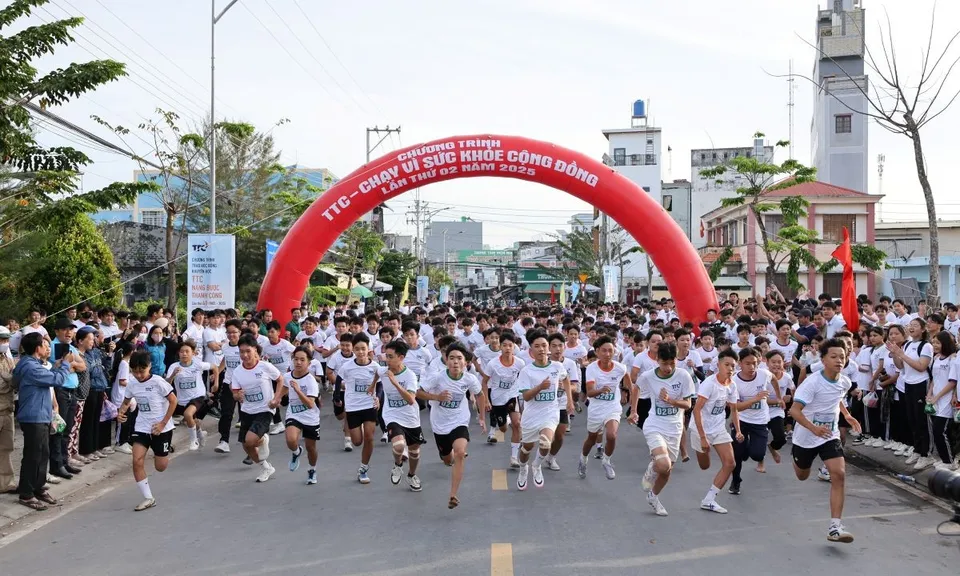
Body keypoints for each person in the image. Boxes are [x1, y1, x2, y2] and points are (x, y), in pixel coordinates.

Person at [789, 337, 861, 543]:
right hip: (805, 436)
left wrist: (846, 415)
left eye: (843, 356)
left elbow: (836, 397)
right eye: (834, 356)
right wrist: (813, 428)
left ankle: (835, 527)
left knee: (839, 474)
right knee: (802, 475)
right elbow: (794, 411)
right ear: (823, 360)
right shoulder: (811, 383)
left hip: (829, 435)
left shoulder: (845, 381)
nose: (839, 360)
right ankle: (799, 462)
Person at [418, 342, 487, 509]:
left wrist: (482, 417)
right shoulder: (438, 377)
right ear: (446, 361)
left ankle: (453, 494)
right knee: (447, 458)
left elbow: (480, 395)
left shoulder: (469, 379)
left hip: (459, 420)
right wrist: (437, 397)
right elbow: (418, 393)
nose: (455, 361)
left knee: (460, 453)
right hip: (440, 424)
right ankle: (445, 457)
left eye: (459, 358)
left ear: (466, 362)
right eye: (451, 358)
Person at [12, 333, 74, 510]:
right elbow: (58, 380)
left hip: (40, 414)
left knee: (42, 453)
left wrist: (56, 366)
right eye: (44, 345)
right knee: (34, 455)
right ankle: (26, 493)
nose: (48, 348)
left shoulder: (30, 364)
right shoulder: (31, 367)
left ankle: (37, 487)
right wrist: (66, 364)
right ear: (37, 348)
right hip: (34, 416)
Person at [634, 341, 696, 516]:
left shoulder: (683, 376)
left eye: (672, 363)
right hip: (654, 424)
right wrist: (633, 411)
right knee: (663, 463)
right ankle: (652, 468)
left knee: (667, 470)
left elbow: (687, 404)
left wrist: (671, 401)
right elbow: (636, 387)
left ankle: (653, 497)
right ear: (657, 360)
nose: (668, 367)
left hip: (674, 428)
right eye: (664, 363)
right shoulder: (648, 376)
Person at [117, 349, 177, 511]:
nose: (138, 375)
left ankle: (164, 449)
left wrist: (163, 424)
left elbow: (173, 401)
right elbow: (126, 402)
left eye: (142, 371)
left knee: (161, 466)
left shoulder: (158, 382)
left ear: (149, 366)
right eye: (135, 372)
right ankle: (148, 497)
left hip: (161, 429)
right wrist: (121, 413)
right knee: (136, 461)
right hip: (142, 427)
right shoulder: (132, 383)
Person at [691, 349, 743, 514]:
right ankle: (701, 448)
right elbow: (696, 410)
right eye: (726, 365)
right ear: (718, 365)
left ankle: (709, 500)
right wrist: (703, 437)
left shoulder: (732, 385)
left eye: (732, 366)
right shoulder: (709, 384)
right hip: (701, 430)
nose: (729, 368)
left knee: (730, 463)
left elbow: (734, 409)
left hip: (719, 428)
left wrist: (738, 431)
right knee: (704, 465)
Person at [514, 331, 566, 491]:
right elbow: (526, 396)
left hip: (550, 413)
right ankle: (523, 468)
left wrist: (569, 398)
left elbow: (565, 377)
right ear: (531, 351)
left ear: (548, 348)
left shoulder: (557, 366)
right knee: (526, 449)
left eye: (544, 345)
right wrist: (540, 387)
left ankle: (536, 465)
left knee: (545, 443)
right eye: (537, 346)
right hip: (531, 415)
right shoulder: (527, 371)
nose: (541, 349)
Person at [230, 334, 282, 482]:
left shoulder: (265, 366)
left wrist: (276, 398)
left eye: (248, 351)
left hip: (265, 409)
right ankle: (266, 467)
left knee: (251, 439)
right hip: (247, 410)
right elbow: (235, 392)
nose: (244, 355)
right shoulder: (238, 371)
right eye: (241, 352)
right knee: (246, 446)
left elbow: (280, 379)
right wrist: (237, 395)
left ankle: (263, 438)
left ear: (255, 350)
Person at [580, 336, 631, 480]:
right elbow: (590, 392)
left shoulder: (620, 368)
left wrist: (625, 393)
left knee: (611, 435)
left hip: (612, 406)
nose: (608, 354)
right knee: (591, 439)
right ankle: (583, 459)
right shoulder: (591, 368)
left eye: (610, 351)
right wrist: (601, 390)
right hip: (596, 408)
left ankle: (606, 461)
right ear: (597, 351)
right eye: (604, 351)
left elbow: (628, 381)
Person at [729, 347, 779, 495]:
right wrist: (755, 399)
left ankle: (747, 448)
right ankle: (735, 481)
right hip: (741, 421)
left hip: (760, 421)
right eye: (747, 363)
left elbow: (774, 379)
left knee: (757, 455)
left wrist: (779, 396)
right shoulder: (734, 381)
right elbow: (737, 407)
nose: (752, 367)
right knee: (737, 455)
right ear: (740, 363)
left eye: (755, 363)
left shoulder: (763, 374)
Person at [379, 340, 425, 491]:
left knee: (414, 452)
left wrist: (395, 383)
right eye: (386, 356)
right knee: (398, 446)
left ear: (401, 357)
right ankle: (398, 465)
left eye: (390, 356)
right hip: (392, 415)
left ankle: (412, 475)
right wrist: (373, 390)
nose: (387, 359)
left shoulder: (410, 376)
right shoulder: (383, 371)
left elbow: (411, 400)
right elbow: (374, 374)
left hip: (411, 418)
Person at [274, 347, 321, 484]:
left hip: (310, 417)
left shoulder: (311, 381)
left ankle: (312, 470)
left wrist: (298, 391)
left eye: (302, 360)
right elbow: (284, 387)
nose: (298, 362)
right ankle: (296, 452)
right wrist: (276, 399)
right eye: (296, 359)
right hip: (293, 414)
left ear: (309, 363)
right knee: (290, 439)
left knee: (310, 448)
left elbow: (310, 404)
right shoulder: (288, 376)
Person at [338, 333, 381, 484]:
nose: (361, 352)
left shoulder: (375, 367)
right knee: (357, 442)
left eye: (363, 348)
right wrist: (337, 398)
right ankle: (360, 429)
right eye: (357, 349)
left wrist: (378, 398)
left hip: (369, 405)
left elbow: (380, 384)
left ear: (368, 348)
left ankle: (363, 469)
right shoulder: (347, 367)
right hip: (353, 407)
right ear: (353, 350)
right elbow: (338, 380)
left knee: (369, 438)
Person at [480, 332, 525, 467]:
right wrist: (487, 400)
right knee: (504, 428)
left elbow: (525, 378)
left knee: (517, 424)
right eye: (504, 345)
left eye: (510, 345)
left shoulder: (520, 363)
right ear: (500, 347)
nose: (507, 348)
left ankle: (513, 458)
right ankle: (507, 419)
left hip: (512, 395)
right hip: (497, 398)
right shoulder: (493, 364)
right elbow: (484, 382)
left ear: (514, 347)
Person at [166, 341, 217, 451]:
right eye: (182, 352)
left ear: (193, 353)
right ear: (178, 353)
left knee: (187, 414)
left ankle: (193, 440)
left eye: (187, 351)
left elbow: (214, 367)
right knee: (192, 420)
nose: (184, 354)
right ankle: (201, 434)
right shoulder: (174, 367)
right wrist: (173, 374)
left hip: (198, 396)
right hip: (183, 400)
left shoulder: (198, 364)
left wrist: (216, 382)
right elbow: (167, 383)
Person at [545, 332, 577, 471]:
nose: (557, 349)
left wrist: (565, 388)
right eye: (554, 346)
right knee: (544, 438)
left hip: (562, 404)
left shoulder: (570, 364)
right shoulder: (543, 363)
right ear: (548, 348)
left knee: (559, 437)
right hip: (545, 405)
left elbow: (575, 386)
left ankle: (551, 458)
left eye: (560, 346)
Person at [0, 327, 16, 493]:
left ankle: (5, 483)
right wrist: (10, 381)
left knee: (6, 447)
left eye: (6, 340)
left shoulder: (7, 357)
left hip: (8, 409)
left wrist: (11, 380)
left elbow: (13, 381)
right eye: (1, 340)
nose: (4, 343)